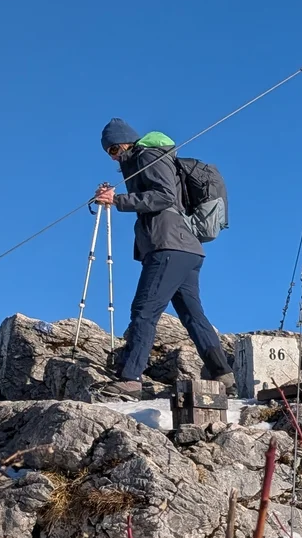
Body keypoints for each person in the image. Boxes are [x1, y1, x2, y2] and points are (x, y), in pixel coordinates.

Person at [92, 119, 230, 398]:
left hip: (168, 247)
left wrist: (117, 201)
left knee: (144, 311)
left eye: (113, 150)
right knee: (192, 315)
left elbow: (164, 196)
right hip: (185, 249)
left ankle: (131, 378)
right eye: (110, 153)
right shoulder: (145, 159)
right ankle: (223, 374)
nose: (114, 157)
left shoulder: (148, 155)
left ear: (123, 143)